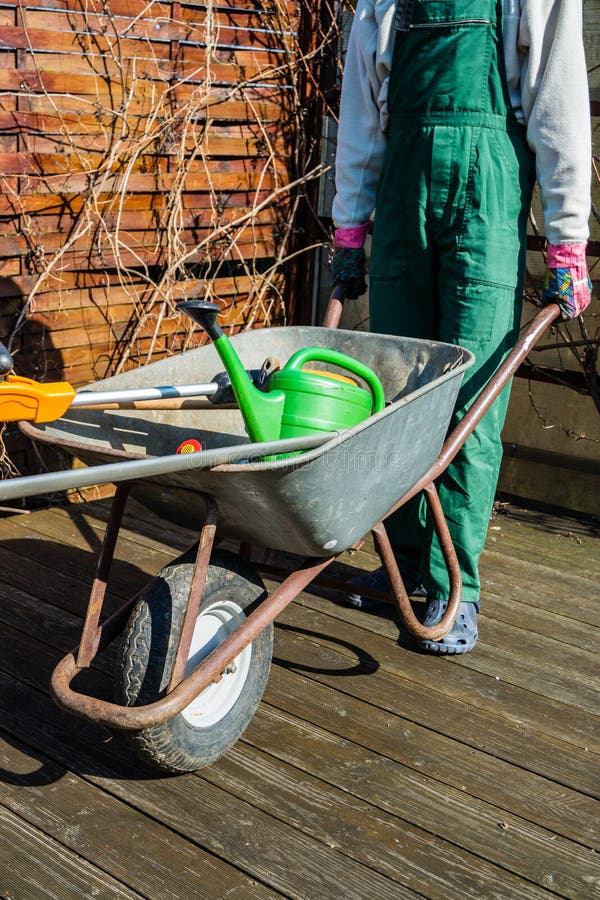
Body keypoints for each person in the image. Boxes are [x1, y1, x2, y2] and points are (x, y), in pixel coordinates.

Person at [331, 0, 592, 653]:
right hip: (402, 192)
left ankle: (455, 585)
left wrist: (567, 239)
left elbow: (557, 96)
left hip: (488, 190)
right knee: (397, 393)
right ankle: (403, 564)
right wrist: (350, 224)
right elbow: (362, 110)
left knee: (472, 402)